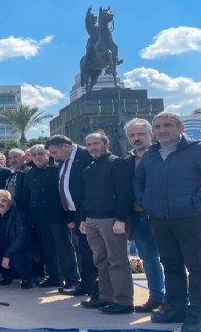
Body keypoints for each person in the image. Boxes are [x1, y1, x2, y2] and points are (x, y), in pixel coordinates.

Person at [133, 112, 201, 332]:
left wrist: (196, 200)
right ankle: (176, 309)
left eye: (168, 125)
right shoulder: (151, 154)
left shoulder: (198, 150)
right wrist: (145, 202)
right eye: (158, 126)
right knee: (171, 266)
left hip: (191, 218)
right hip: (159, 219)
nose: (162, 130)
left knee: (197, 268)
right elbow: (138, 180)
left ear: (180, 128)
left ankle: (195, 315)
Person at [78, 132, 134, 315]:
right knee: (100, 261)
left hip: (111, 220)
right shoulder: (89, 167)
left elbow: (125, 193)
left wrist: (121, 219)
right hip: (92, 219)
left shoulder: (117, 163)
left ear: (106, 144)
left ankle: (123, 301)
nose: (92, 147)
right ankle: (105, 297)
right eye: (89, 144)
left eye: (96, 143)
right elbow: (85, 196)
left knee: (117, 261)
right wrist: (83, 218)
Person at [45, 135, 98, 299]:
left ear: (66, 146)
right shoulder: (61, 161)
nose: (53, 156)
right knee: (83, 250)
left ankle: (96, 288)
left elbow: (89, 186)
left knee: (92, 251)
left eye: (55, 152)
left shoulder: (85, 155)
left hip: (89, 211)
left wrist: (83, 214)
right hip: (74, 213)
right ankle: (86, 284)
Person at [21, 144, 80, 289]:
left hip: (57, 215)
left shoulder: (57, 169)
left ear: (48, 155)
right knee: (48, 249)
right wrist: (28, 217)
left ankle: (72, 279)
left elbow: (66, 193)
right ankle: (55, 277)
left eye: (41, 154)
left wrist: (70, 216)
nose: (37, 157)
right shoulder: (28, 173)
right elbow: (25, 196)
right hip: (39, 217)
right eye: (34, 155)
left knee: (64, 249)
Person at [123, 118, 165, 313]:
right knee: (148, 258)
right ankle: (156, 297)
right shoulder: (126, 161)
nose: (136, 138)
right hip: (138, 216)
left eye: (140, 134)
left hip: (163, 215)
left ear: (151, 135)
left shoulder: (163, 156)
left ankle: (174, 299)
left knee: (170, 258)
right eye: (132, 135)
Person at [0, 190, 39, 289]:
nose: (0, 203)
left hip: (21, 252)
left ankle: (28, 278)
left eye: (4, 200)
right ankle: (8, 274)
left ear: (10, 202)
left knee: (16, 260)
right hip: (1, 251)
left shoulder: (20, 217)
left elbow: (22, 241)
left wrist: (7, 255)